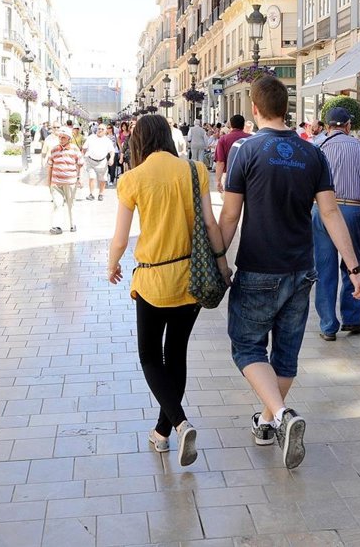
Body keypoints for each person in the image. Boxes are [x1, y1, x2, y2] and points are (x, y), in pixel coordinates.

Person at [218, 76, 360, 470]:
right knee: (285, 357)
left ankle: (283, 415)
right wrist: (354, 268)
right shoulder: (312, 153)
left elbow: (230, 215)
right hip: (301, 269)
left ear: (254, 108)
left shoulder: (246, 151)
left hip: (258, 267)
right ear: (286, 107)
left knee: (248, 348)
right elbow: (331, 213)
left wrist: (219, 258)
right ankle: (267, 422)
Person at [107, 115, 230, 466]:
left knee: (149, 356)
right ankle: (163, 431)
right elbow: (210, 223)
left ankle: (178, 423)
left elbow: (120, 238)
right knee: (176, 354)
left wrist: (112, 265)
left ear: (138, 142)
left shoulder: (132, 179)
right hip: (191, 277)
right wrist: (222, 266)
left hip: (152, 280)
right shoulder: (194, 170)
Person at [311, 106, 360, 341]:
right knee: (352, 263)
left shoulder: (318, 147)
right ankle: (352, 318)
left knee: (324, 268)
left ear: (327, 126)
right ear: (348, 126)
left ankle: (328, 325)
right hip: (352, 210)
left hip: (322, 211)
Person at [47, 130, 82, 234]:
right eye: (60, 137)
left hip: (70, 182)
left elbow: (80, 164)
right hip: (56, 182)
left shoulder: (75, 149)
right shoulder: (54, 150)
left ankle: (73, 224)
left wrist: (79, 178)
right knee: (57, 204)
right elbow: (50, 166)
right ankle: (57, 226)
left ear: (69, 139)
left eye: (63, 137)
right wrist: (49, 182)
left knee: (71, 204)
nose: (61, 139)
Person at [214, 114, 249, 192]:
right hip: (249, 176)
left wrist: (218, 181)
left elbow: (220, 162)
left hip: (229, 175)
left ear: (231, 125)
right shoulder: (251, 138)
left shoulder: (223, 139)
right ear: (243, 125)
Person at [82, 123, 116, 201]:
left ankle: (101, 194)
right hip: (91, 161)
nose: (100, 130)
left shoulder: (107, 140)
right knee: (92, 177)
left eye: (102, 129)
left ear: (105, 131)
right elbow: (84, 148)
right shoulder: (90, 138)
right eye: (99, 129)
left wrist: (111, 158)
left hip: (102, 162)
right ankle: (91, 194)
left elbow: (112, 151)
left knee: (103, 179)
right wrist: (82, 157)